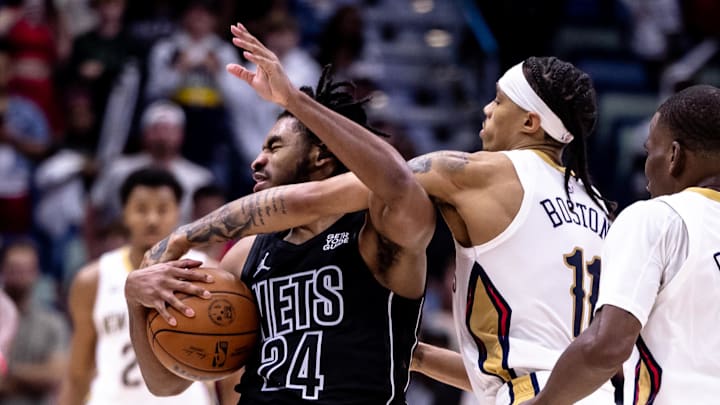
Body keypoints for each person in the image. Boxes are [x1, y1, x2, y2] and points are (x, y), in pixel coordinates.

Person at [124, 23, 435, 403]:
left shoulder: (379, 228)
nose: (257, 161)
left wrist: (293, 99)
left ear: (321, 155)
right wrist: (135, 300)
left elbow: (399, 181)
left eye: (274, 147)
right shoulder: (245, 254)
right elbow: (166, 384)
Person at [406, 56, 616, 404]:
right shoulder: (599, 206)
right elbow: (506, 372)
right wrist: (415, 356)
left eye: (500, 100)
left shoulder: (487, 174)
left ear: (530, 122)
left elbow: (384, 183)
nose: (488, 108)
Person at [524, 84, 720, 405]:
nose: (645, 169)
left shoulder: (659, 218)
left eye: (649, 151)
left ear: (674, 156)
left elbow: (606, 348)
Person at [58, 167, 216, 405]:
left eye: (162, 209)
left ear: (178, 213)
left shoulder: (209, 272)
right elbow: (78, 374)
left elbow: (229, 372)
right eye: (141, 209)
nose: (152, 219)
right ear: (124, 214)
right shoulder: (92, 280)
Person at [0, 238, 70, 404]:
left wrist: (8, 373)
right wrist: (34, 378)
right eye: (14, 269)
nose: (20, 276)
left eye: (26, 270)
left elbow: (56, 374)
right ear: (2, 270)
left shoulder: (53, 322)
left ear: (36, 272)